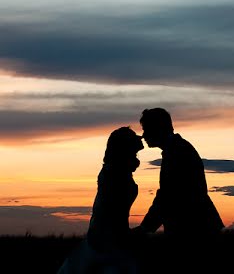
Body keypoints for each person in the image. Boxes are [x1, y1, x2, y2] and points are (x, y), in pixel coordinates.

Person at [57, 127, 144, 274]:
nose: (137, 157)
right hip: (106, 239)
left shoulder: (117, 171)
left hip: (111, 237)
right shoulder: (114, 174)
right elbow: (110, 212)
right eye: (133, 152)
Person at [134, 108, 224, 238]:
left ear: (158, 128)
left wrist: (145, 227)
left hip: (193, 228)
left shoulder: (177, 152)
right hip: (196, 226)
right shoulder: (177, 148)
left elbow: (168, 195)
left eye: (146, 129)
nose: (143, 135)